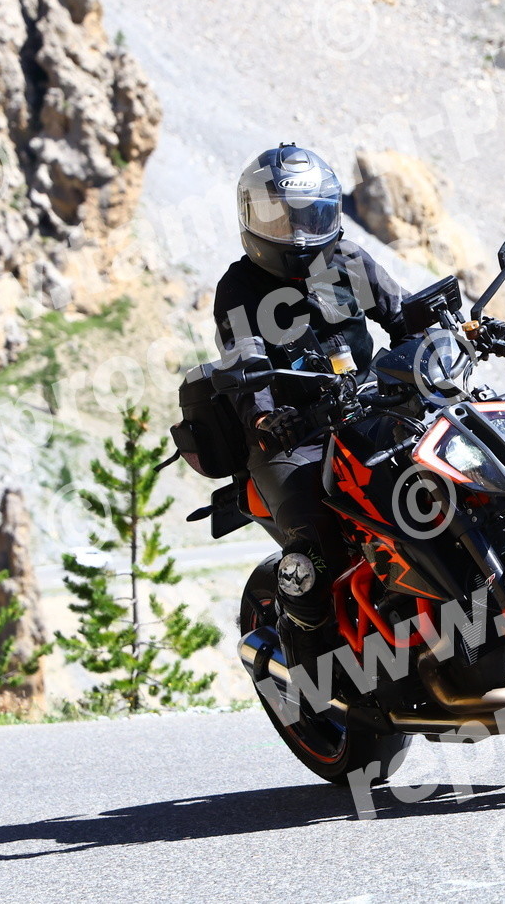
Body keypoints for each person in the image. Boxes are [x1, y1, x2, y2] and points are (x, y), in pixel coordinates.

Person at [213, 143, 409, 659]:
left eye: (308, 216)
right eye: (281, 218)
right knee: (316, 541)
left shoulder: (347, 259)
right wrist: (264, 417)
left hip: (370, 409)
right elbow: (243, 360)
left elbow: (403, 314)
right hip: (291, 437)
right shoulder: (240, 288)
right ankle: (310, 665)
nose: (298, 233)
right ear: (253, 216)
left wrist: (453, 332)